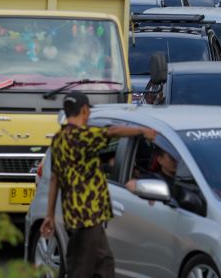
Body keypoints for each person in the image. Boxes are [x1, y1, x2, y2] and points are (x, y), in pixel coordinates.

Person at [40, 90, 157, 278]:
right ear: (85, 110)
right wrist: (143, 131)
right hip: (87, 216)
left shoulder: (59, 139)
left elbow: (55, 178)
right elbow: (112, 131)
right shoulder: (84, 136)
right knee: (82, 269)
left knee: (104, 264)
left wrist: (50, 215)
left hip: (77, 216)